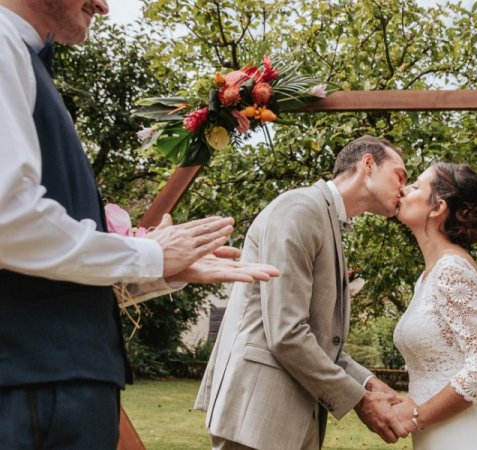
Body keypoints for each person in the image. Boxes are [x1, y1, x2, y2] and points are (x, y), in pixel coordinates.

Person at [0, 1, 279, 448]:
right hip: (35, 391)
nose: (104, 6)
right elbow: (8, 219)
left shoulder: (21, 57)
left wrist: (158, 269)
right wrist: (148, 254)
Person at [196, 135, 410, 450]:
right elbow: (287, 333)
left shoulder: (327, 219)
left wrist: (368, 382)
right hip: (257, 417)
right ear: (368, 164)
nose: (404, 188)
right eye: (399, 175)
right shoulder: (300, 207)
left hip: (289, 417)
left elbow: (321, 338)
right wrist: (360, 401)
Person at [392, 162, 477, 449]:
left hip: (468, 435)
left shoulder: (452, 269)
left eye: (416, 186)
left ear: (437, 207)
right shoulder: (427, 276)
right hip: (438, 435)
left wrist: (417, 417)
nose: (404, 190)